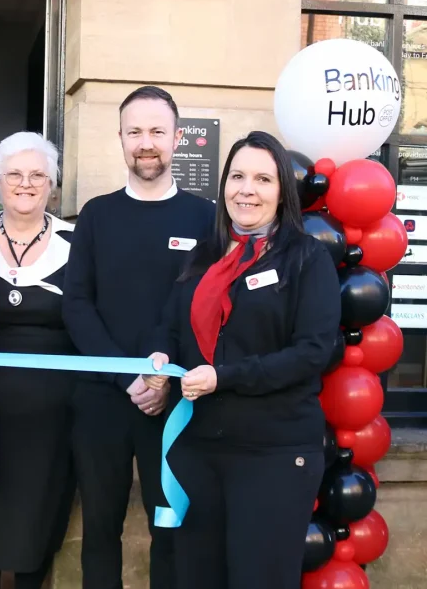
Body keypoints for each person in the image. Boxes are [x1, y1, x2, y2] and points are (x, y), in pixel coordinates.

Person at [142, 131, 340, 589]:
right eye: (237, 176)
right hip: (199, 449)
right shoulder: (203, 255)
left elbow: (312, 352)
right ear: (223, 185)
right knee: (196, 577)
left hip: (274, 452)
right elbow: (172, 327)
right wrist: (160, 360)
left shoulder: (306, 259)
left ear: (281, 192)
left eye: (262, 179)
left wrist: (224, 377)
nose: (246, 189)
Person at [61, 85, 215, 589]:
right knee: (100, 531)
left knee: (169, 527)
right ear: (120, 139)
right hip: (102, 400)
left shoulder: (205, 218)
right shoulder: (96, 215)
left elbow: (202, 308)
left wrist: (162, 375)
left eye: (156, 131)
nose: (145, 143)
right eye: (134, 132)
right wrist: (128, 375)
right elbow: (76, 305)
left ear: (176, 138)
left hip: (173, 405)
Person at [0, 131, 76, 589]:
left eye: (37, 175)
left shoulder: (78, 242)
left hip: (53, 411)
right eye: (14, 174)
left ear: (52, 185)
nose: (25, 184)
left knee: (39, 507)